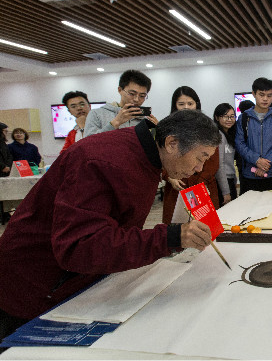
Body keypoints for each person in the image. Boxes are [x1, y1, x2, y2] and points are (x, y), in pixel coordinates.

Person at [0, 110, 221, 340]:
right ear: (172, 143)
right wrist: (169, 237)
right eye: (200, 157)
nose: (199, 168)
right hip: (34, 285)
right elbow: (79, 247)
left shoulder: (146, 154)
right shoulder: (102, 161)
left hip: (75, 282)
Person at [162, 87, 221, 224]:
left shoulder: (207, 127)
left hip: (202, 185)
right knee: (177, 228)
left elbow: (213, 160)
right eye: (181, 104)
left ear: (197, 105)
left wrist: (198, 183)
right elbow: (162, 157)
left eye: (190, 103)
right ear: (175, 106)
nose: (186, 108)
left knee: (206, 227)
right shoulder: (167, 128)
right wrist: (169, 177)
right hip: (178, 186)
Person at [235, 77, 272, 194]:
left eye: (269, 95)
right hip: (250, 174)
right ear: (254, 94)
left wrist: (265, 165)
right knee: (251, 205)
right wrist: (256, 160)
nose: (265, 99)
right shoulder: (244, 118)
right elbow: (240, 144)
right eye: (261, 94)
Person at [84, 70, 158, 138]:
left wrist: (159, 131)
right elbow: (87, 143)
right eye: (132, 94)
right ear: (120, 90)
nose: (136, 99)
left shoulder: (145, 119)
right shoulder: (97, 114)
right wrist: (115, 123)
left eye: (142, 96)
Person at [213, 103, 238, 206]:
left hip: (229, 179)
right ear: (217, 118)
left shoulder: (228, 134)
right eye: (225, 116)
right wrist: (226, 191)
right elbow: (220, 164)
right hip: (223, 181)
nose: (229, 119)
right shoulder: (219, 135)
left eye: (232, 116)